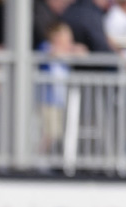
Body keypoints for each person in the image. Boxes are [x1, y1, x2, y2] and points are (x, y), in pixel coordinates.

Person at [38, 21, 87, 154]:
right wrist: (70, 51)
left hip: (59, 101)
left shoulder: (65, 53)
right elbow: (52, 54)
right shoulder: (46, 47)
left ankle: (42, 158)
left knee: (54, 133)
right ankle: (37, 159)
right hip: (47, 100)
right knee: (49, 133)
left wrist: (73, 50)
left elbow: (83, 52)